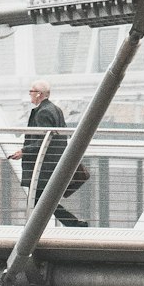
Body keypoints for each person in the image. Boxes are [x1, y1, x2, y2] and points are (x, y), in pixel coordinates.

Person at [20, 80, 87, 225]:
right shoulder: (55, 109)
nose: (29, 95)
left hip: (44, 165)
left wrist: (23, 151)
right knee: (43, 200)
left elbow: (43, 141)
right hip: (54, 162)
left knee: (39, 200)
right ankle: (73, 224)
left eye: (31, 91)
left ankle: (73, 224)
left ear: (38, 94)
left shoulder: (43, 112)